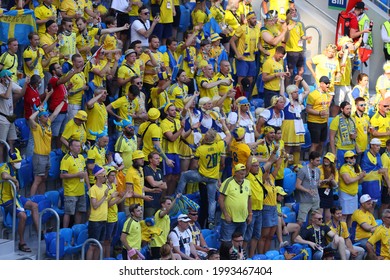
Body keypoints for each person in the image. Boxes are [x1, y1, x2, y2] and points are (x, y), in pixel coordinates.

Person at [176, 127, 231, 229]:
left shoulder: (201, 149)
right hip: (213, 178)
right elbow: (228, 136)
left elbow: (195, 165)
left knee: (184, 175)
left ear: (205, 139)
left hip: (202, 176)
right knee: (212, 201)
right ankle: (210, 221)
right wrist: (224, 125)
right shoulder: (218, 145)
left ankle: (177, 196)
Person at [0, 149, 40, 253]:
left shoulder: (16, 169)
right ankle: (21, 242)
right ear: (12, 162)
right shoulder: (5, 166)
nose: (19, 163)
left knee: (34, 206)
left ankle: (40, 233)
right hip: (6, 199)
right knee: (23, 216)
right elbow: (4, 176)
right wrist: (15, 180)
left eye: (19, 161)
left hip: (15, 196)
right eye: (17, 162)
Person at [28, 100, 65, 196]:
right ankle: (32, 199)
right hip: (39, 157)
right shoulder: (36, 127)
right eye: (45, 116)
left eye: (47, 115)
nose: (47, 117)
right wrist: (38, 111)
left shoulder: (48, 124)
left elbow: (56, 112)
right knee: (37, 179)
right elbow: (30, 118)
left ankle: (41, 197)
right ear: (39, 118)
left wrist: (64, 101)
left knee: (44, 178)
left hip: (47, 156)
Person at [60, 139, 90, 228]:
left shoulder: (81, 157)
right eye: (76, 146)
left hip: (81, 190)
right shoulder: (66, 159)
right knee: (68, 213)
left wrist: (88, 185)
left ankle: (77, 229)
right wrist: (76, 175)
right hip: (71, 191)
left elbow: (85, 173)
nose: (79, 148)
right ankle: (65, 231)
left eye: (79, 146)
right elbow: (62, 175)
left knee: (79, 211)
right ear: (71, 147)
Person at [219, 164, 252, 242]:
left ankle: (239, 254)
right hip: (230, 220)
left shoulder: (247, 182)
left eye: (244, 174)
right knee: (227, 243)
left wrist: (250, 214)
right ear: (235, 173)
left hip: (243, 219)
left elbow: (249, 198)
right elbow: (220, 199)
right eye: (241, 174)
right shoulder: (228, 182)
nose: (243, 176)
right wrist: (226, 214)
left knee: (239, 242)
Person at [281, 76, 310, 164]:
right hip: (289, 125)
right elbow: (281, 93)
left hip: (298, 124)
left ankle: (296, 164)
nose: (297, 94)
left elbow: (307, 90)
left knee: (298, 147)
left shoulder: (299, 101)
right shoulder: (286, 101)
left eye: (297, 92)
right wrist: (282, 80)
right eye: (295, 92)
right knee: (288, 147)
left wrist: (302, 80)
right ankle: (284, 165)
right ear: (290, 93)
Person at [229, 11, 260, 87]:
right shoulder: (242, 28)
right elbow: (231, 41)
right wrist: (237, 54)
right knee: (241, 80)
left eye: (255, 18)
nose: (255, 20)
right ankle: (239, 97)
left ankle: (247, 96)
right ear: (248, 20)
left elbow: (258, 43)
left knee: (250, 79)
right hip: (242, 58)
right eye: (253, 18)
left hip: (252, 58)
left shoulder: (257, 29)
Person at [160, 103, 184, 195]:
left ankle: (169, 197)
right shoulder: (164, 123)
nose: (174, 112)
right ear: (167, 112)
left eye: (175, 110)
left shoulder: (177, 121)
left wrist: (192, 129)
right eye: (172, 110)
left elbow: (183, 136)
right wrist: (181, 128)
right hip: (167, 153)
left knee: (175, 177)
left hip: (176, 152)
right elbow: (172, 138)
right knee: (167, 177)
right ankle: (163, 199)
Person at [305, 76, 333, 154]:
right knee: (315, 144)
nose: (328, 85)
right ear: (321, 84)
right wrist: (319, 113)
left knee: (321, 143)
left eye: (329, 83)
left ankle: (318, 161)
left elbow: (327, 107)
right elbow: (308, 109)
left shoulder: (327, 94)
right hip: (314, 122)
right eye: (326, 83)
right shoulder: (313, 95)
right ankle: (311, 160)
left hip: (324, 122)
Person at [86, 165, 109, 260]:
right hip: (95, 221)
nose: (105, 176)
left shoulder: (105, 187)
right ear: (98, 176)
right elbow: (95, 205)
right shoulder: (93, 189)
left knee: (100, 244)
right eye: (104, 175)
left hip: (104, 219)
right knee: (92, 245)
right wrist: (104, 196)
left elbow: (107, 202)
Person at [339, 150, 365, 228]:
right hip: (345, 193)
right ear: (347, 159)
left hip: (354, 193)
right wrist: (359, 176)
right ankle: (343, 232)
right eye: (351, 157)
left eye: (354, 157)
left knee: (351, 215)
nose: (354, 159)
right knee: (344, 215)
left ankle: (349, 233)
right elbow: (347, 181)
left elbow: (360, 181)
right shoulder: (344, 168)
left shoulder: (357, 167)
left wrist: (362, 176)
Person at [361, 138, 390, 204]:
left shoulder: (378, 155)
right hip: (369, 183)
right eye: (377, 146)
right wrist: (379, 171)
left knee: (375, 204)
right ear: (371, 145)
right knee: (369, 204)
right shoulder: (366, 155)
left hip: (377, 182)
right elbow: (372, 170)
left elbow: (381, 169)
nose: (378, 148)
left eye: (379, 146)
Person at [295, 151, 321, 225]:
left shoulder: (318, 170)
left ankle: (310, 236)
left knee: (313, 221)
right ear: (311, 160)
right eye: (317, 160)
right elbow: (297, 185)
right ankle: (297, 236)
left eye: (319, 160)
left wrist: (321, 183)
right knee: (300, 221)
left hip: (315, 199)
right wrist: (307, 190)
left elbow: (316, 183)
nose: (319, 162)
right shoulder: (303, 170)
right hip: (305, 200)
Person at [150, 195, 179, 259]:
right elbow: (167, 210)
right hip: (156, 244)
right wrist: (176, 198)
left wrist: (168, 241)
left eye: (170, 204)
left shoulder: (167, 216)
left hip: (163, 244)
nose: (170, 206)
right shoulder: (159, 213)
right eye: (168, 204)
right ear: (162, 204)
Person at [329, 101, 357, 168]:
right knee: (340, 169)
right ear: (342, 109)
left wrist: (355, 136)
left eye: (350, 109)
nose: (349, 111)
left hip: (352, 149)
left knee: (351, 169)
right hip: (341, 149)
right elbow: (331, 137)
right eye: (347, 109)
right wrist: (334, 153)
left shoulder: (352, 119)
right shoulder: (336, 120)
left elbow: (356, 133)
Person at [124, 150, 152, 217]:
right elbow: (129, 192)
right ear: (135, 160)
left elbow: (140, 186)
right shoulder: (130, 172)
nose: (143, 160)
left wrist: (152, 190)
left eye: (143, 158)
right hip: (132, 206)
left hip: (140, 203)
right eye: (140, 159)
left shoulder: (141, 169)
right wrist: (144, 197)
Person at [143, 152, 167, 217]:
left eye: (159, 158)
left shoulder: (159, 170)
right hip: (149, 202)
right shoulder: (147, 168)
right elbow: (153, 184)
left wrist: (157, 183)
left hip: (158, 201)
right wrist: (160, 182)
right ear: (150, 160)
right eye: (156, 158)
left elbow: (165, 186)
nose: (158, 160)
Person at [352, 97, 370, 163]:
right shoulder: (353, 118)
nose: (363, 107)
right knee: (357, 167)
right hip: (358, 149)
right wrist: (357, 147)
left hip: (366, 148)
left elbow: (367, 130)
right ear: (356, 106)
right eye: (361, 105)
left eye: (364, 105)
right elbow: (352, 135)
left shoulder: (366, 117)